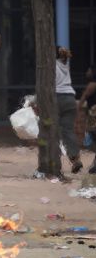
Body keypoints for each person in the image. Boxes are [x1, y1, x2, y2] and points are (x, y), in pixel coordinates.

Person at [54, 46, 82, 174]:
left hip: (57, 98)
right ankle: (76, 160)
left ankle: (54, 161)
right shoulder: (65, 64)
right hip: (70, 98)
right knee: (68, 131)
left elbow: (48, 84)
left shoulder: (51, 65)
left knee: (50, 129)